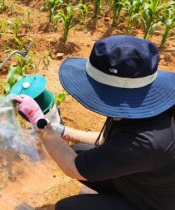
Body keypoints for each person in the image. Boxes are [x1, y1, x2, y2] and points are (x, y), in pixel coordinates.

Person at [14, 35, 175, 210]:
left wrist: (41, 125)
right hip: (141, 178)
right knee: (79, 151)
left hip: (153, 202)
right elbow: (108, 140)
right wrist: (63, 132)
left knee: (69, 207)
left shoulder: (143, 141)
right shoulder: (136, 106)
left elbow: (71, 167)